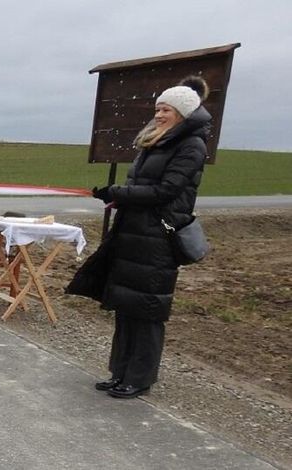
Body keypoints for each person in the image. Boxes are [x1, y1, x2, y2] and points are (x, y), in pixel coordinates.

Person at [68, 76, 211, 399]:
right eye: (158, 109)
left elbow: (166, 191)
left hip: (157, 240)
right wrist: (119, 198)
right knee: (125, 305)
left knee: (147, 310)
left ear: (183, 113)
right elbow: (143, 187)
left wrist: (117, 192)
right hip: (133, 234)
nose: (159, 115)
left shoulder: (191, 145)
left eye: (166, 110)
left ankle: (139, 379)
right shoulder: (156, 140)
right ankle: (120, 372)